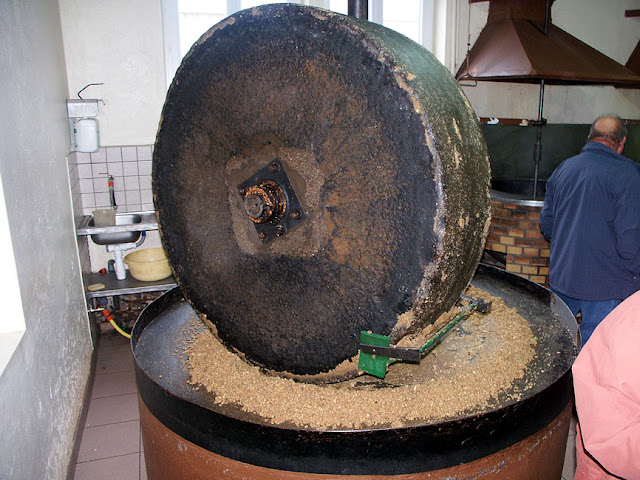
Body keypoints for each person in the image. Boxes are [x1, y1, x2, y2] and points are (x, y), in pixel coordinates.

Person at [539, 114, 640, 344]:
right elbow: (629, 238)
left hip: (563, 278)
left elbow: (547, 225)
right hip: (605, 286)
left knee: (556, 342)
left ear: (589, 138)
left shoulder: (563, 169)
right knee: (595, 351)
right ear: (621, 143)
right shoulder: (628, 176)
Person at [572, 289, 640, 479]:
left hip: (581, 283)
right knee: (590, 339)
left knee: (584, 339)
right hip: (604, 288)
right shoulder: (630, 329)